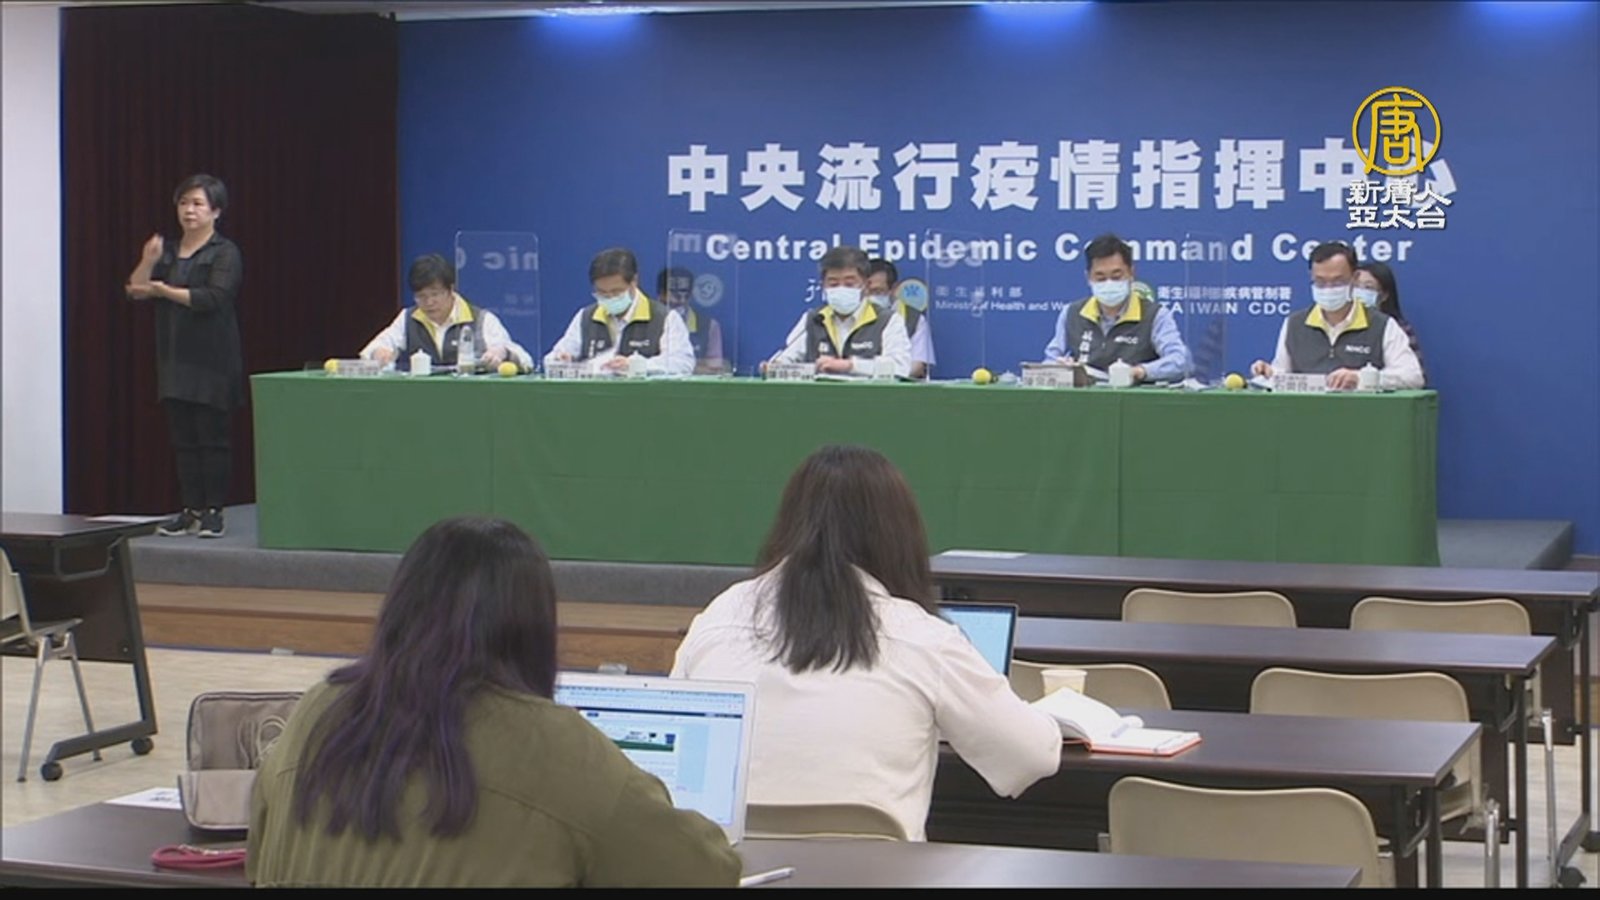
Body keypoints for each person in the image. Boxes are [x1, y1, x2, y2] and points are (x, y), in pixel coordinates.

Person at [247, 516, 740, 887]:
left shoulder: (316, 710)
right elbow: (704, 874)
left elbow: (257, 857)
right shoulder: (557, 748)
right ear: (533, 629)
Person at [671, 445, 1062, 841]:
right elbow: (1032, 756)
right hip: (876, 871)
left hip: (729, 867)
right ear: (899, 535)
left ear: (788, 522)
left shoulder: (720, 615)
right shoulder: (921, 637)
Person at [125, 174, 244, 540]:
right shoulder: (171, 251)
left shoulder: (224, 252)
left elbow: (213, 297)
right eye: (183, 203)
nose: (189, 211)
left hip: (213, 361)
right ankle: (190, 509)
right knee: (184, 441)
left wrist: (166, 291)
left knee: (212, 439)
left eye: (197, 204)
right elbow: (135, 290)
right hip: (174, 359)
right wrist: (148, 261)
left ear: (216, 211)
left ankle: (214, 511)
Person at [1251, 242, 1424, 390]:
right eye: (1320, 281)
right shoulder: (1294, 323)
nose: (1329, 288)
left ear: (1354, 278)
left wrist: (1361, 378)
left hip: (1363, 415)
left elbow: (1413, 377)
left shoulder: (1382, 324)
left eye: (1338, 281)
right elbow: (1282, 375)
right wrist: (1269, 373)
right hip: (1305, 414)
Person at [1043, 233, 1190, 383]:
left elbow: (1181, 361)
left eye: (1116, 276)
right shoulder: (1071, 313)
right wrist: (1060, 367)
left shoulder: (1155, 315)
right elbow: (1049, 362)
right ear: (1088, 277)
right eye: (1100, 278)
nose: (1109, 283)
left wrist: (1140, 371)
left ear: (1131, 273)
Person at [360, 254, 533, 372]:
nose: (429, 302)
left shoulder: (481, 319)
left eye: (435, 294)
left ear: (451, 289)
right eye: (421, 296)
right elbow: (373, 349)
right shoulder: (408, 317)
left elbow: (526, 362)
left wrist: (503, 352)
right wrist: (378, 353)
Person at [544, 248, 694, 375]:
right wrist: (560, 360)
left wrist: (636, 366)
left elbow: (682, 363)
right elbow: (552, 358)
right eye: (602, 293)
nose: (610, 298)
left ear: (634, 281)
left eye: (616, 292)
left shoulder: (665, 318)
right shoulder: (586, 317)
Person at [768, 246, 912, 378]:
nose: (841, 288)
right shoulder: (813, 319)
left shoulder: (888, 320)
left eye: (849, 283)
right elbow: (787, 358)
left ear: (866, 285)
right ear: (823, 286)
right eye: (833, 284)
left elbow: (900, 368)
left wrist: (850, 366)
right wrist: (775, 367)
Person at [1355, 260, 1425, 383]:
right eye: (1355, 286)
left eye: (1368, 287)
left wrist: (1364, 378)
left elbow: (1413, 377)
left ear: (1384, 295)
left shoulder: (1395, 327)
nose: (1359, 292)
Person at [867, 258, 935, 380]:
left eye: (877, 291)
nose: (869, 297)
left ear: (893, 289)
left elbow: (917, 366)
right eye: (866, 291)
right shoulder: (849, 314)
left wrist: (878, 374)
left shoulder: (914, 319)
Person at [656, 265, 726, 374]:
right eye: (673, 292)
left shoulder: (709, 326)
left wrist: (681, 366)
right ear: (661, 294)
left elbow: (715, 370)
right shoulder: (648, 323)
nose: (680, 299)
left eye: (685, 292)